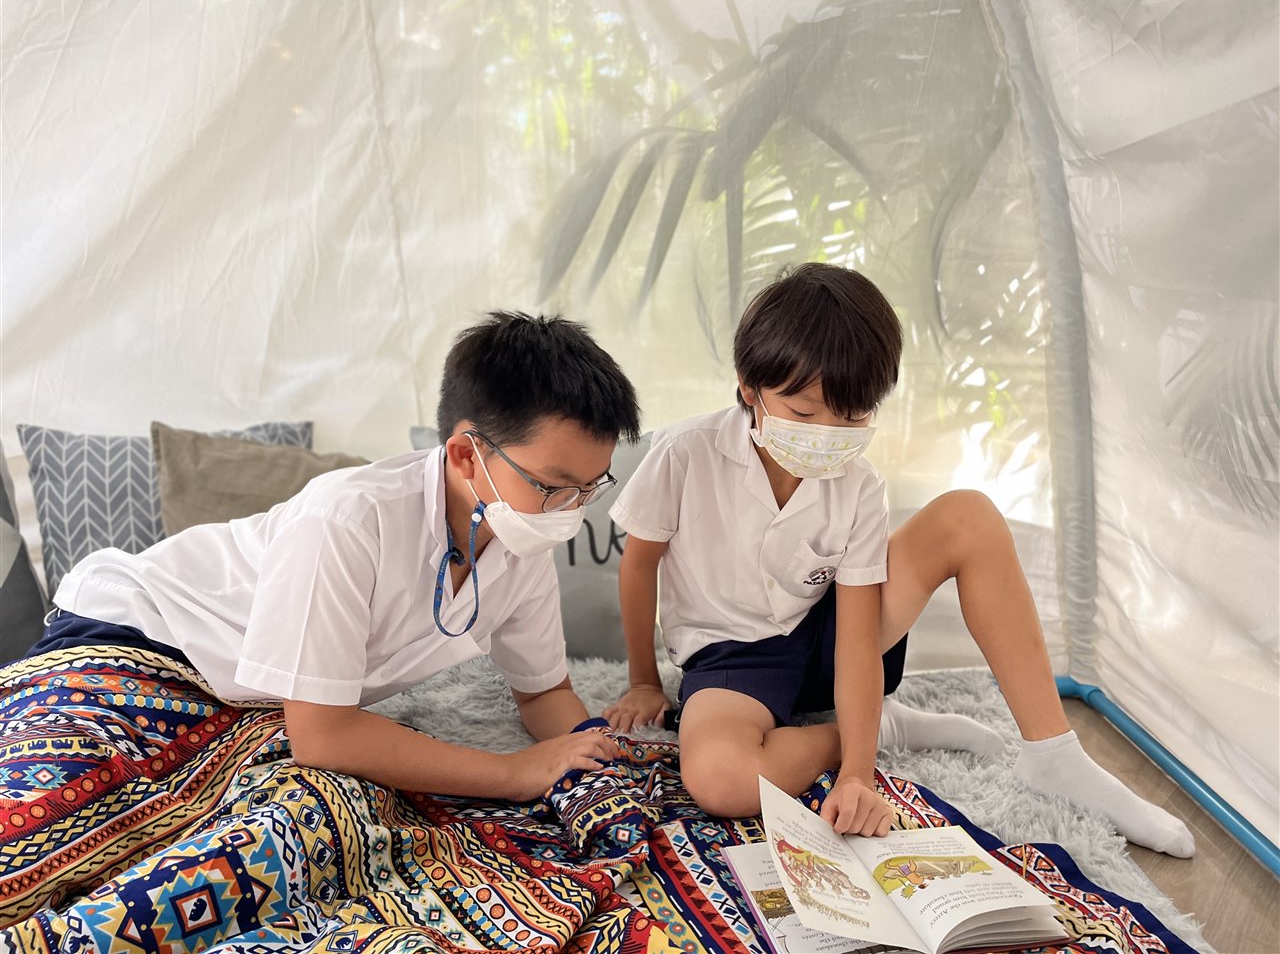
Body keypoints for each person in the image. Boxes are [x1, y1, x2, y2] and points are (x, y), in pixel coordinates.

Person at [603, 264, 1194, 858]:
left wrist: (859, 776)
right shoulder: (684, 452)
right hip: (732, 657)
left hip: (834, 638)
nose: (828, 434)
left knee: (969, 516)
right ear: (749, 388)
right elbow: (639, 565)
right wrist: (644, 681)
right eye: (804, 414)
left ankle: (1054, 754)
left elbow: (859, 635)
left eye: (852, 417)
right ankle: (864, 727)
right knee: (721, 779)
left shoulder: (859, 485)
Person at [27, 310, 642, 800]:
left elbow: (542, 694)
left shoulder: (521, 539)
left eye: (591, 488)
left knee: (324, 816)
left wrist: (594, 756)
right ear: (464, 456)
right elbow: (323, 737)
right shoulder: (348, 518)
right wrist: (515, 773)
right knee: (63, 798)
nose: (572, 511)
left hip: (266, 705)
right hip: (140, 638)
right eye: (553, 486)